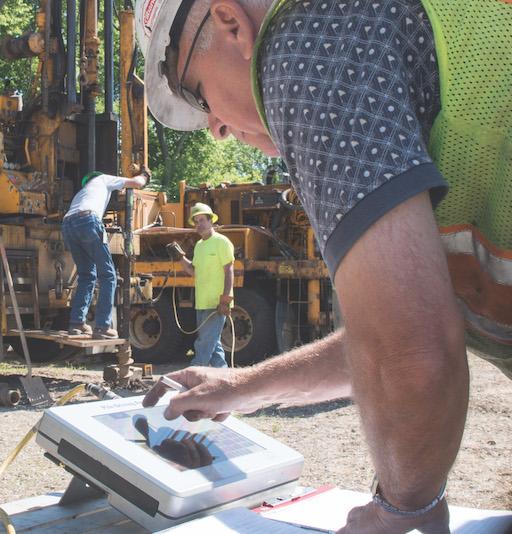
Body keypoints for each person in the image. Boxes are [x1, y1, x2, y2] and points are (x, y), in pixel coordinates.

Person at [135, 0, 511, 532]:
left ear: (230, 23)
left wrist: (403, 511)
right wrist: (242, 387)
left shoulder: (304, 45)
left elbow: (410, 353)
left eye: (197, 94)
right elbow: (388, 338)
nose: (215, 129)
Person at [63, 170, 149, 339]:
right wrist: (144, 175)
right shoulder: (103, 179)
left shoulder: (82, 193)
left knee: (87, 275)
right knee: (108, 276)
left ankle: (77, 323)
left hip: (67, 225)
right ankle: (103, 326)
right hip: (88, 221)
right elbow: (137, 183)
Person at [168, 202, 234, 368]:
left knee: (204, 344)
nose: (199, 224)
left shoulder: (222, 242)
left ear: (211, 221)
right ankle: (223, 378)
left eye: (202, 220)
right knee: (214, 345)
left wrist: (225, 299)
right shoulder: (199, 246)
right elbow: (193, 271)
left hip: (217, 303)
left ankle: (194, 374)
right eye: (196, 221)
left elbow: (229, 271)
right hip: (202, 303)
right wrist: (180, 257)